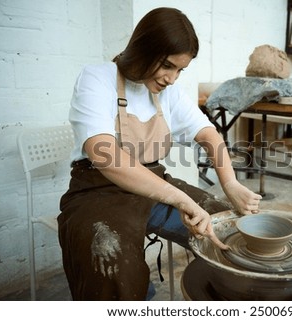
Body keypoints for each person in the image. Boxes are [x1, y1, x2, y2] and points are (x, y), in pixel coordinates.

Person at [57, 7, 262, 300]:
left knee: (227, 226)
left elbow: (209, 136)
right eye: (167, 65)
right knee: (113, 265)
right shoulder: (97, 78)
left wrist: (230, 184)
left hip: (154, 185)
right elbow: (105, 157)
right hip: (97, 192)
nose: (172, 78)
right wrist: (179, 198)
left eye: (180, 70)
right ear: (143, 49)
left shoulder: (167, 93)